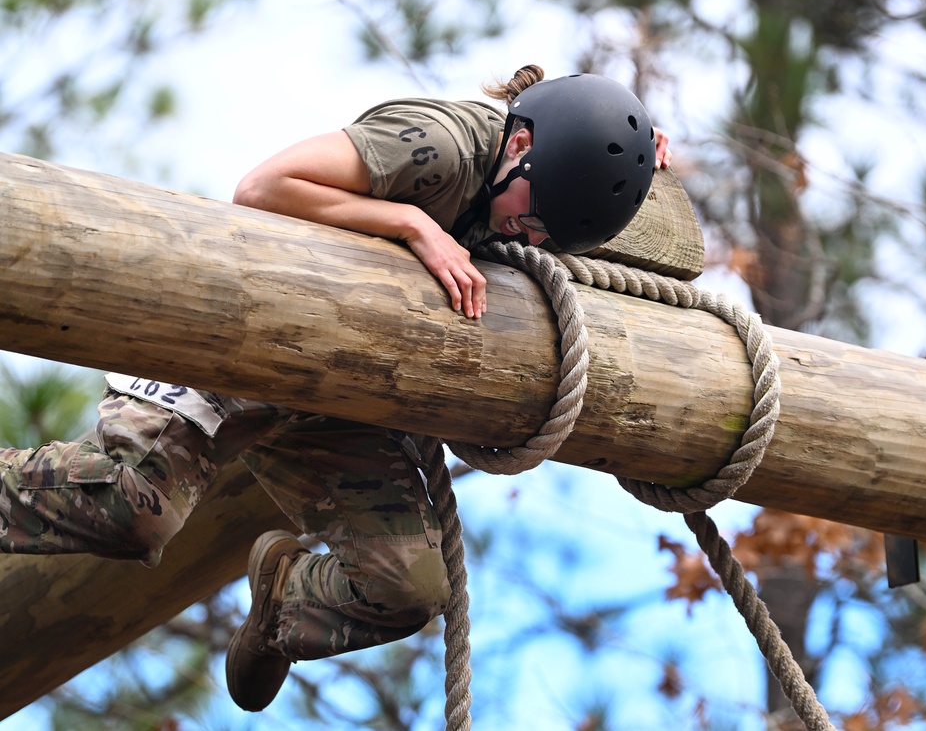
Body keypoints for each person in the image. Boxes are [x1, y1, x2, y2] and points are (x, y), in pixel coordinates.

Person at [0, 65, 669, 712]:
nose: (528, 235)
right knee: (132, 508)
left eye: (549, 235)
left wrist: (643, 151)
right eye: (534, 216)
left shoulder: (539, 187)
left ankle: (282, 602)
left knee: (406, 588)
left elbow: (584, 168)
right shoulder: (436, 144)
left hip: (331, 395)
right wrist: (411, 224)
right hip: (243, 330)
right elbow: (263, 187)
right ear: (517, 144)